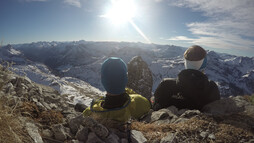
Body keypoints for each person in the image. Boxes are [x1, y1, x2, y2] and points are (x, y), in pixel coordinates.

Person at [152, 45, 220, 111]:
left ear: (185, 63)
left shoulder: (165, 85)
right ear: (203, 63)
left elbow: (155, 106)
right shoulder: (212, 89)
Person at [83, 57, 151, 122]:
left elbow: (84, 115)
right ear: (125, 79)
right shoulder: (140, 102)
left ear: (103, 81)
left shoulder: (92, 111)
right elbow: (147, 105)